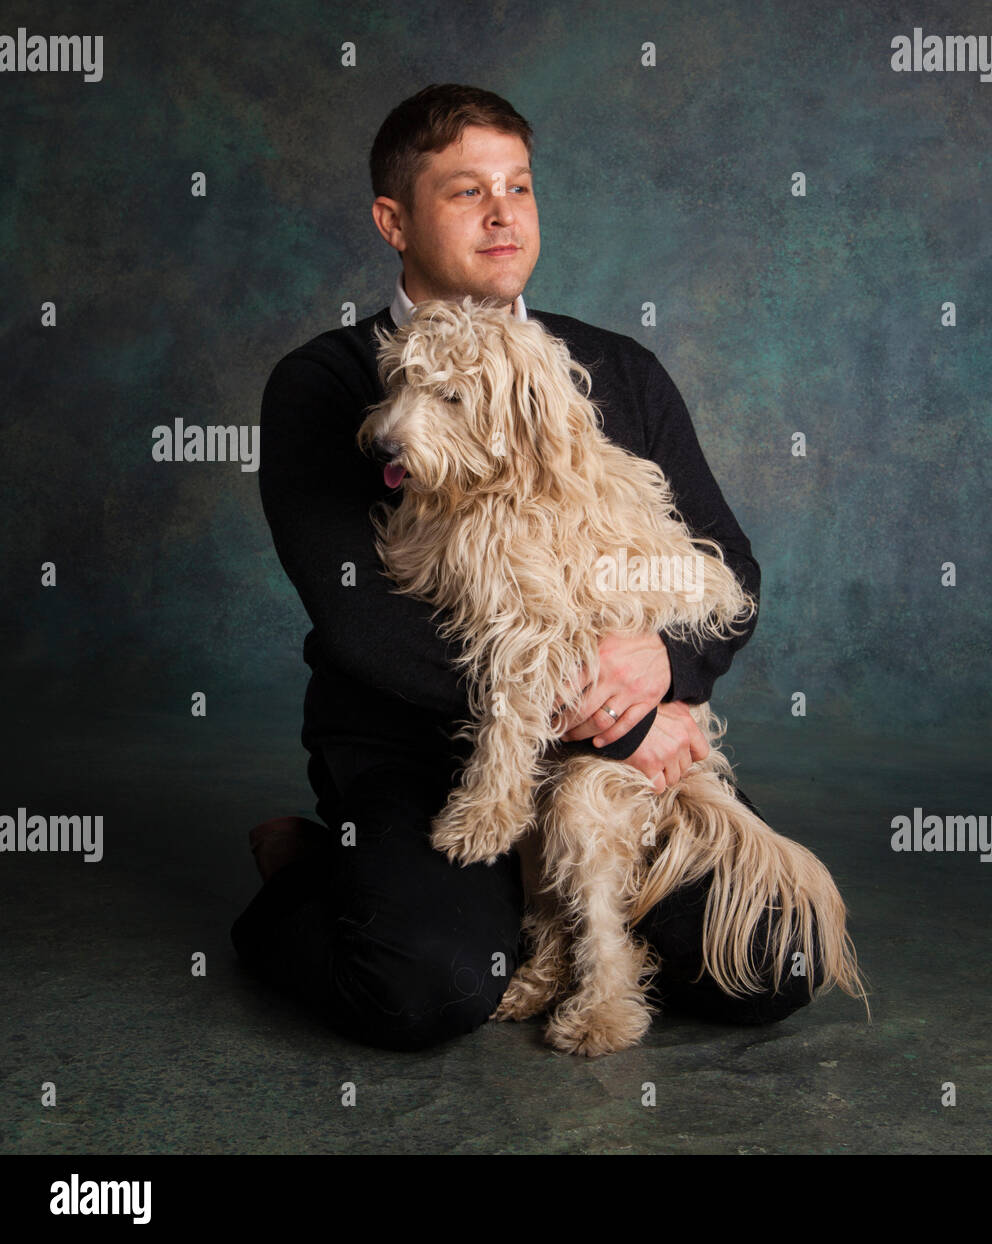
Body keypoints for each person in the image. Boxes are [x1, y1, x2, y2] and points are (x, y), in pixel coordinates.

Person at [230, 83, 824, 1050]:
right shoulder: (325, 383)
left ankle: (546, 905)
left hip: (610, 757)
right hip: (422, 751)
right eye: (467, 191)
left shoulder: (617, 368)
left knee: (772, 964)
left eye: (520, 186)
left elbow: (733, 576)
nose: (504, 212)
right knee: (424, 991)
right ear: (394, 220)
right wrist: (617, 716)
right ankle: (305, 870)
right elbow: (366, 628)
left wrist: (664, 667)